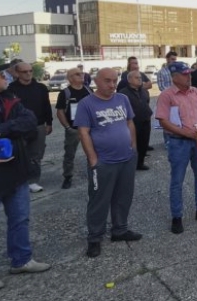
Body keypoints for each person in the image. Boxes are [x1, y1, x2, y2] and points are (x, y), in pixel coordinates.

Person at [0, 60, 51, 292]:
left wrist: (0, 130)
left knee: (20, 219)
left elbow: (29, 121)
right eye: (0, 73)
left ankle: (22, 260)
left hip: (15, 174)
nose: (7, 75)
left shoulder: (8, 100)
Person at [74, 68, 142, 258]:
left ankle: (120, 230)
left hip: (126, 159)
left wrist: (133, 147)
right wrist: (93, 159)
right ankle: (95, 237)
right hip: (103, 162)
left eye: (114, 81)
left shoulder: (122, 99)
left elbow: (129, 123)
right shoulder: (86, 104)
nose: (112, 85)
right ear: (96, 81)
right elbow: (83, 132)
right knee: (99, 200)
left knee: (123, 197)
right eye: (107, 81)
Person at [155, 62, 197, 234]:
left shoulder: (195, 91)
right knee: (177, 180)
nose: (189, 76)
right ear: (174, 77)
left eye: (189, 73)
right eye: (185, 74)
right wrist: (186, 133)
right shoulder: (167, 96)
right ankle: (177, 216)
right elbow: (163, 121)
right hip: (178, 142)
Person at [6, 62, 53, 193]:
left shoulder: (41, 88)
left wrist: (49, 123)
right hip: (18, 127)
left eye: (30, 71)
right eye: (24, 71)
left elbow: (47, 106)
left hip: (38, 126)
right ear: (17, 73)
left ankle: (33, 181)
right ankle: (19, 181)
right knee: (18, 153)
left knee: (36, 155)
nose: (28, 74)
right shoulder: (10, 89)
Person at [55, 67, 93, 189]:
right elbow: (60, 111)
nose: (81, 75)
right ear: (70, 78)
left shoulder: (89, 90)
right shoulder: (65, 93)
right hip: (73, 129)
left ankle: (94, 173)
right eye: (77, 74)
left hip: (89, 129)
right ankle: (68, 177)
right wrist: (67, 127)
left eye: (82, 73)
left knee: (93, 152)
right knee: (69, 154)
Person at [118, 71, 153, 170]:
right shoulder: (123, 93)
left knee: (144, 143)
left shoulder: (144, 91)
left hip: (145, 121)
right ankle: (129, 163)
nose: (140, 79)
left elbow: (146, 102)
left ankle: (140, 163)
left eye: (140, 78)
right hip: (132, 123)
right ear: (129, 80)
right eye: (136, 78)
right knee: (131, 143)